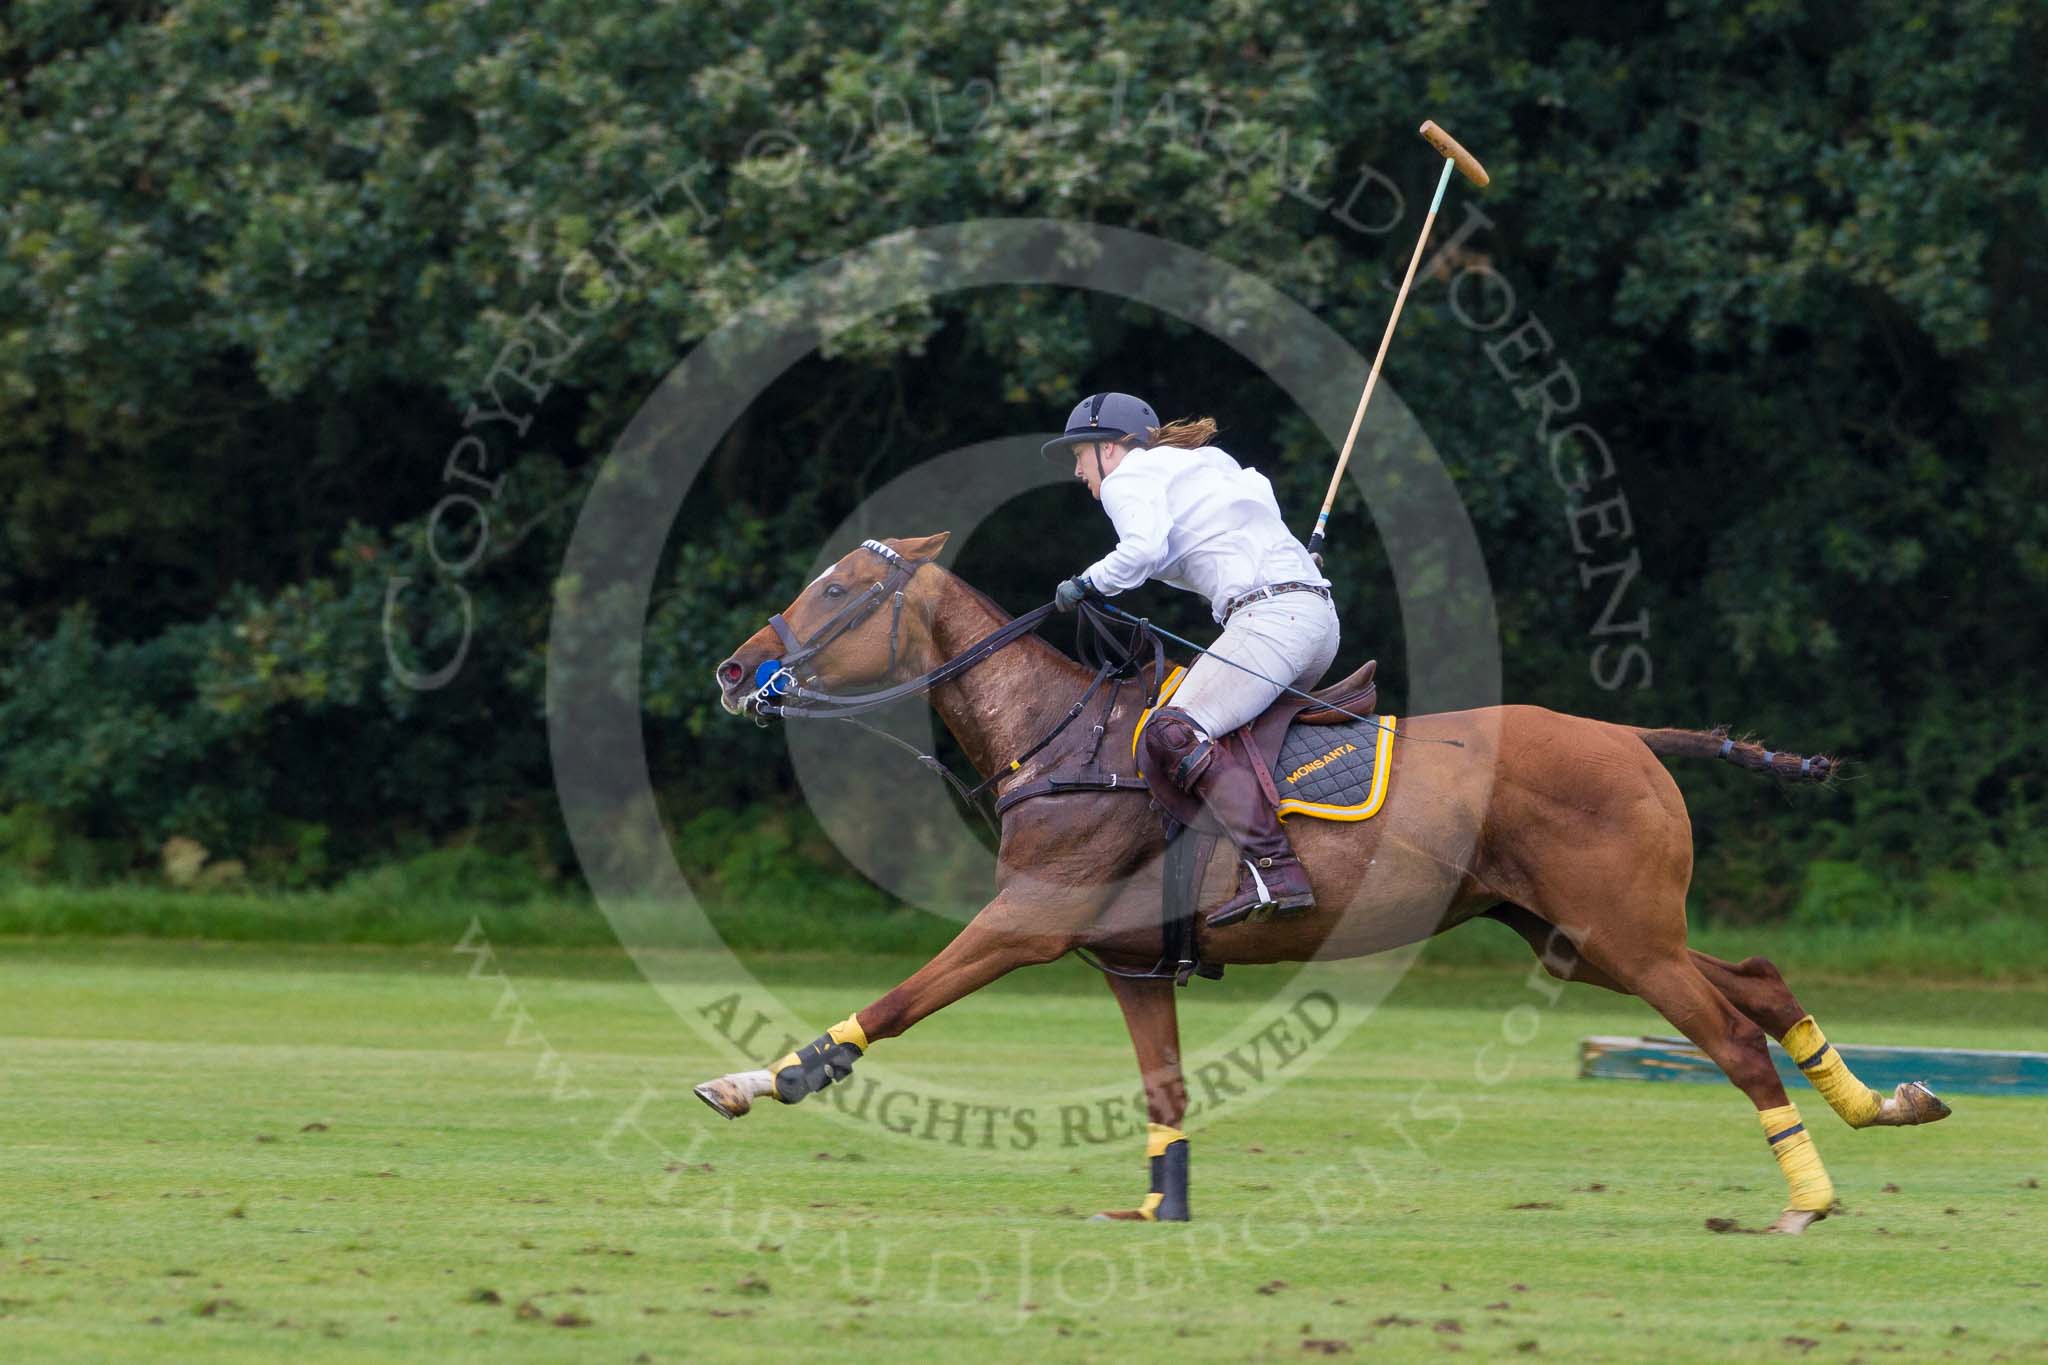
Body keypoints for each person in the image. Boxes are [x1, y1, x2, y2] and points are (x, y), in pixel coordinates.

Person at [1043, 392, 1339, 927]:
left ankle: (1275, 870)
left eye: (1080, 454)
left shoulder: (1129, 477)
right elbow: (1250, 528)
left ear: (1111, 448)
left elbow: (1143, 549)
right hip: (1315, 620)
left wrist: (1087, 582)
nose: (1077, 470)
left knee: (1174, 732)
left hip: (1274, 621)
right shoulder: (1210, 465)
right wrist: (1301, 558)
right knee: (1229, 736)